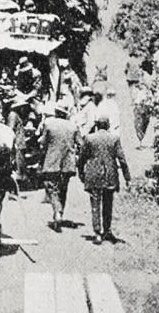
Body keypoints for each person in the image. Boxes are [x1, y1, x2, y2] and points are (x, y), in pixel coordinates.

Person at [77, 114, 130, 245]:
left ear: (96, 125)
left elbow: (81, 158)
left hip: (93, 175)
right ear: (108, 125)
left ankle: (97, 233)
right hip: (109, 175)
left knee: (95, 204)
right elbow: (122, 159)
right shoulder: (114, 138)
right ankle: (107, 230)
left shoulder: (89, 138)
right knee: (108, 203)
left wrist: (81, 173)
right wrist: (127, 176)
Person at [40, 102, 79, 230]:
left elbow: (44, 142)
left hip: (52, 161)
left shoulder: (49, 124)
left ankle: (57, 211)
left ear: (56, 112)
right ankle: (60, 212)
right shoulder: (73, 126)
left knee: (51, 188)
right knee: (63, 188)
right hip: (68, 163)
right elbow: (81, 143)